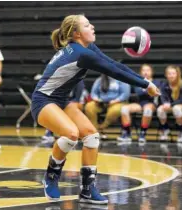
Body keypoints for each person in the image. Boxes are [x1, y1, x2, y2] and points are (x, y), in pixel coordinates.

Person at [31, 14, 160, 204]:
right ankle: (51, 176)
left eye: (90, 23)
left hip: (61, 100)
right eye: (86, 25)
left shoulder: (87, 47)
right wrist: (145, 85)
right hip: (43, 100)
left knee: (91, 136)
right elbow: (113, 71)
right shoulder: (81, 53)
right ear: (76, 34)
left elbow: (115, 64)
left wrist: (146, 82)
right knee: (71, 134)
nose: (92, 27)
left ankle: (87, 189)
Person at [117, 64, 161, 143]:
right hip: (140, 103)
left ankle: (142, 133)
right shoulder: (138, 81)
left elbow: (155, 94)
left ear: (152, 72)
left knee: (147, 109)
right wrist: (149, 91)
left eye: (148, 70)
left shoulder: (156, 82)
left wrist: (146, 91)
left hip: (151, 103)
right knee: (124, 109)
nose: (145, 72)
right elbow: (139, 92)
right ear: (140, 72)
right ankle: (127, 133)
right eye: (143, 70)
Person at [85, 74, 130, 139]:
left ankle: (102, 127)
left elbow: (125, 94)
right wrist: (96, 99)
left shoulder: (121, 79)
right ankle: (94, 131)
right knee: (89, 106)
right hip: (101, 103)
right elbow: (93, 93)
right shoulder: (100, 79)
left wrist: (115, 101)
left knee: (114, 110)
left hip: (117, 102)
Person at [157, 65, 182, 142]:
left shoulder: (181, 84)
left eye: (173, 73)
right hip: (169, 105)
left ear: (177, 74)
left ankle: (181, 130)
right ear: (166, 75)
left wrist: (170, 105)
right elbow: (162, 96)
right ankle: (165, 129)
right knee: (160, 109)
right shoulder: (163, 85)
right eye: (169, 73)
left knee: (176, 109)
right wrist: (165, 103)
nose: (171, 76)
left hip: (178, 105)